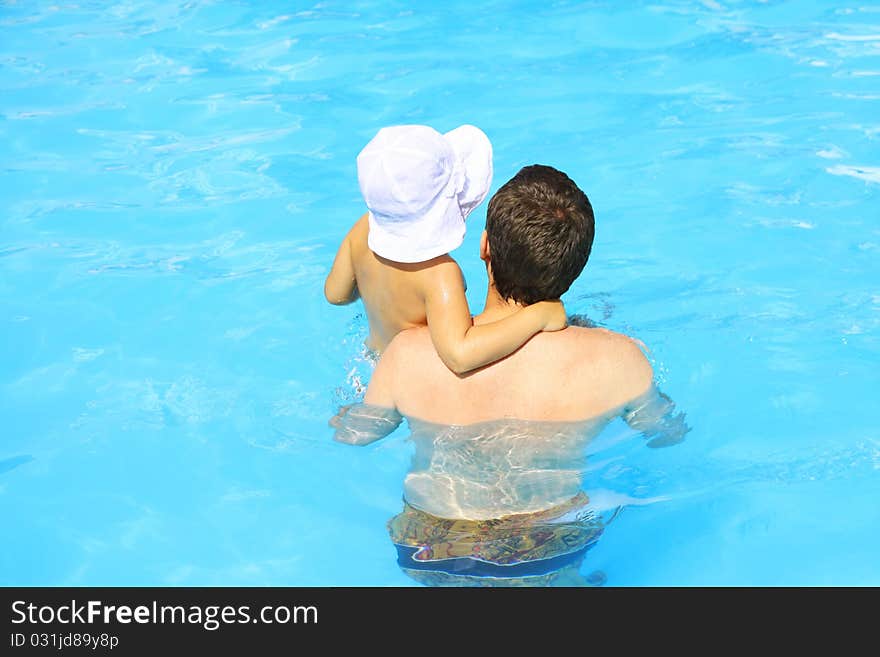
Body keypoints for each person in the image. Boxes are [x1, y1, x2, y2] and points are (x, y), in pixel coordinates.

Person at [333, 164, 688, 586]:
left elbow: (355, 435)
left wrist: (359, 386)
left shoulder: (409, 352)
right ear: (576, 266)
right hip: (545, 548)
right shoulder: (620, 359)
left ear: (485, 247)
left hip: (430, 547)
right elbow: (665, 433)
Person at [324, 125, 566, 375]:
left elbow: (335, 294)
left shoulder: (362, 230)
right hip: (412, 378)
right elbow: (459, 355)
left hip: (368, 360)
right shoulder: (439, 274)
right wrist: (539, 316)